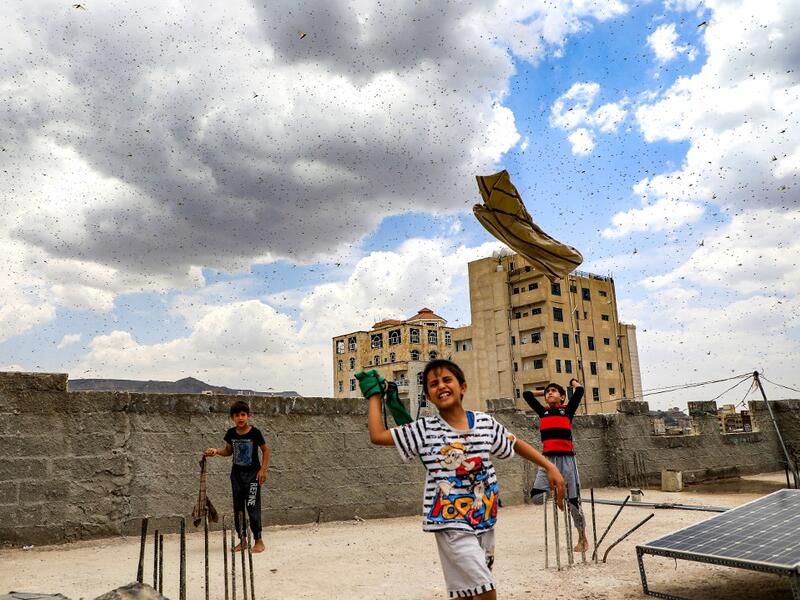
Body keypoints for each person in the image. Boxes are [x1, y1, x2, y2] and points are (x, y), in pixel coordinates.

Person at [359, 359, 565, 600]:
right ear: (428, 395)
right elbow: (378, 435)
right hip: (449, 521)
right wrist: (375, 395)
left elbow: (514, 443)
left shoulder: (485, 423)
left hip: (484, 519)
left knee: (466, 593)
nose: (441, 386)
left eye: (447, 380)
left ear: (463, 387)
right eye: (433, 384)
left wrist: (549, 466)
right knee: (486, 588)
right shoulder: (424, 430)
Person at [522, 378, 588, 553]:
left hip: (567, 460)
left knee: (574, 503)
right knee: (536, 497)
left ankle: (582, 538)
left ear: (563, 397)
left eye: (554, 391)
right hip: (547, 461)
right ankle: (559, 493)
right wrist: (544, 390)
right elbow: (526, 394)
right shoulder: (542, 412)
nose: (550, 393)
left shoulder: (567, 411)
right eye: (547, 392)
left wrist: (572, 382)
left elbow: (580, 390)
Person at [205, 400, 269, 553]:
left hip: (253, 476)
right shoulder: (231, 434)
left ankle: (258, 540)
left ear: (248, 416)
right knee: (238, 508)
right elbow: (228, 451)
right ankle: (243, 540)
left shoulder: (255, 433)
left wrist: (263, 470)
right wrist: (216, 452)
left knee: (252, 506)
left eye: (243, 415)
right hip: (237, 476)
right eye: (236, 415)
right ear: (232, 418)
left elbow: (266, 451)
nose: (240, 418)